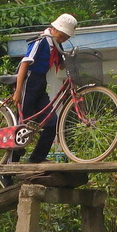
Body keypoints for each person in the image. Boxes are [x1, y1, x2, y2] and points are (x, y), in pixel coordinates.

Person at [9, 13, 76, 166]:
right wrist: (18, 91)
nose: (64, 39)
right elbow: (25, 63)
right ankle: (9, 166)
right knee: (23, 125)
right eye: (63, 35)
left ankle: (36, 158)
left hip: (41, 82)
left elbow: (59, 65)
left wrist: (71, 58)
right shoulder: (41, 41)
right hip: (29, 80)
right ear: (55, 29)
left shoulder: (56, 43)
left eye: (67, 37)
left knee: (51, 121)